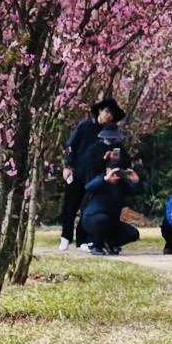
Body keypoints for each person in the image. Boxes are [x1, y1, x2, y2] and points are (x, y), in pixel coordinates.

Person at [59, 97, 124, 250]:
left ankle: (82, 239)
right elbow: (70, 146)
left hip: (96, 175)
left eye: (112, 113)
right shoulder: (84, 126)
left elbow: (116, 153)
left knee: (87, 206)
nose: (109, 116)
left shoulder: (110, 133)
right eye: (107, 111)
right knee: (70, 205)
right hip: (77, 171)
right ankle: (65, 236)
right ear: (100, 111)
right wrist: (67, 165)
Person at [78, 138, 141, 255]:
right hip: (92, 219)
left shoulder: (122, 183)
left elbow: (136, 192)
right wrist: (105, 179)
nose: (115, 175)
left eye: (118, 172)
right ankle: (97, 245)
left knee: (133, 233)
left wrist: (136, 181)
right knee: (102, 220)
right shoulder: (101, 179)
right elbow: (89, 187)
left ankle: (111, 244)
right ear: (107, 170)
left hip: (111, 221)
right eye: (113, 171)